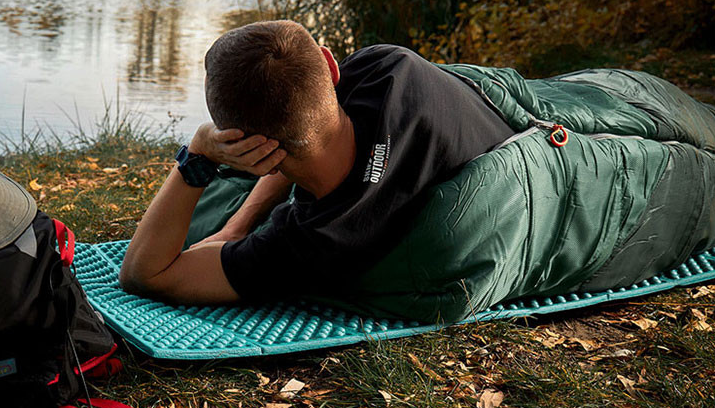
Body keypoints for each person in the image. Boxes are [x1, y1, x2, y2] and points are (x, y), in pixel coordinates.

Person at [119, 19, 519, 305]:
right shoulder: (389, 68)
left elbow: (143, 273)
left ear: (257, 156)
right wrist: (237, 225)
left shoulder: (310, 246)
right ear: (330, 66)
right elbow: (307, 131)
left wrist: (199, 151)